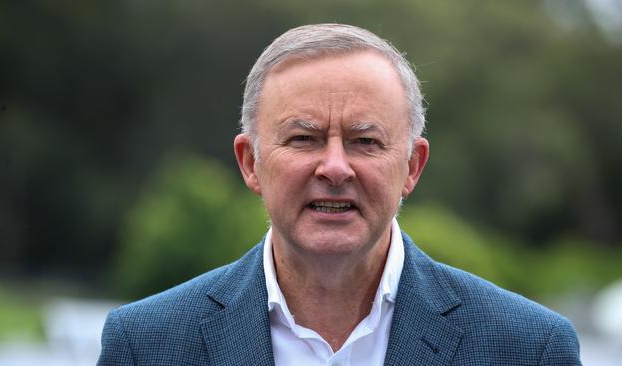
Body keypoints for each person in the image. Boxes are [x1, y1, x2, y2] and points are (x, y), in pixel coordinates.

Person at [98, 23, 581, 365]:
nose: (334, 167)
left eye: (365, 141)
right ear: (251, 164)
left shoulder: (528, 349)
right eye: (303, 138)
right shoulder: (146, 345)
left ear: (412, 167)